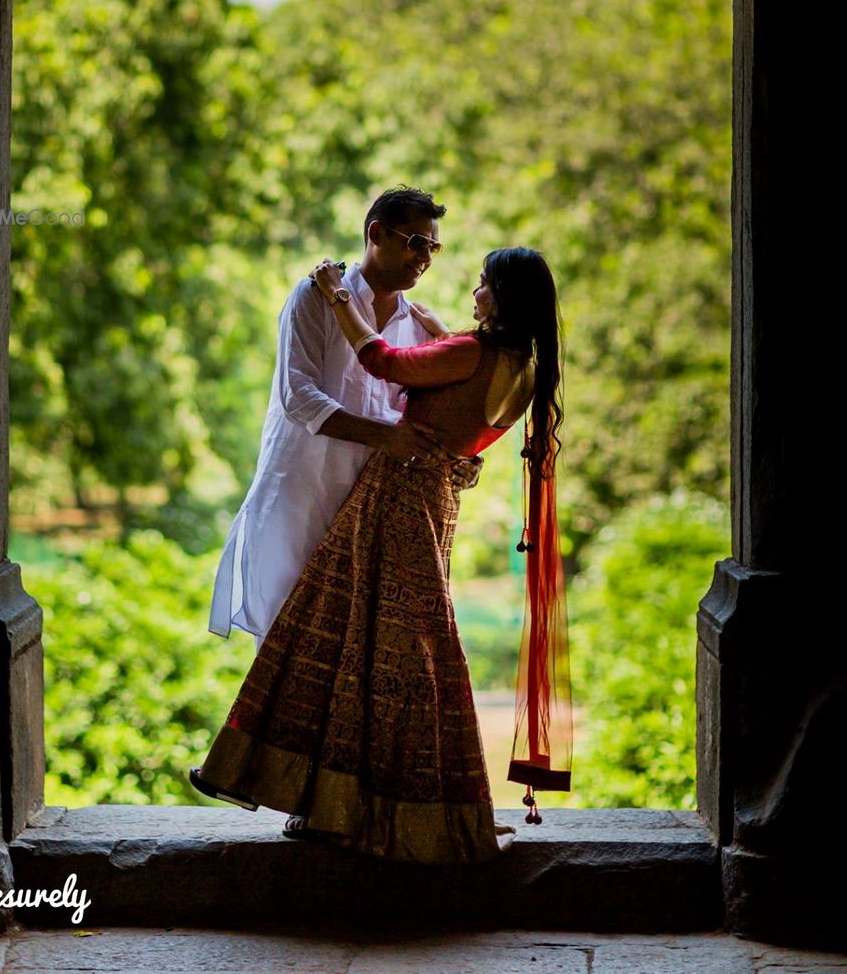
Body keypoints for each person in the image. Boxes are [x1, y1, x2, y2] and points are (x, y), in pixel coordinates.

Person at [190, 245, 573, 864]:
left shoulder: (470, 352)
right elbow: (465, 390)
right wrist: (442, 333)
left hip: (396, 496)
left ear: (504, 299)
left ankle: (352, 801)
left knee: (352, 634)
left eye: (483, 286)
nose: (474, 294)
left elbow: (381, 360)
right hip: (439, 501)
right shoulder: (525, 368)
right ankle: (367, 802)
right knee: (399, 643)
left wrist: (336, 295)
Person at [208, 186, 483, 649]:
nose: (426, 257)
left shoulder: (417, 323)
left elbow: (419, 412)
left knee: (355, 645)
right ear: (376, 234)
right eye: (416, 242)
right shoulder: (315, 297)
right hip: (303, 490)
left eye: (433, 246)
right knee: (289, 635)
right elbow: (299, 397)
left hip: (372, 502)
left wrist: (457, 450)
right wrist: (386, 437)